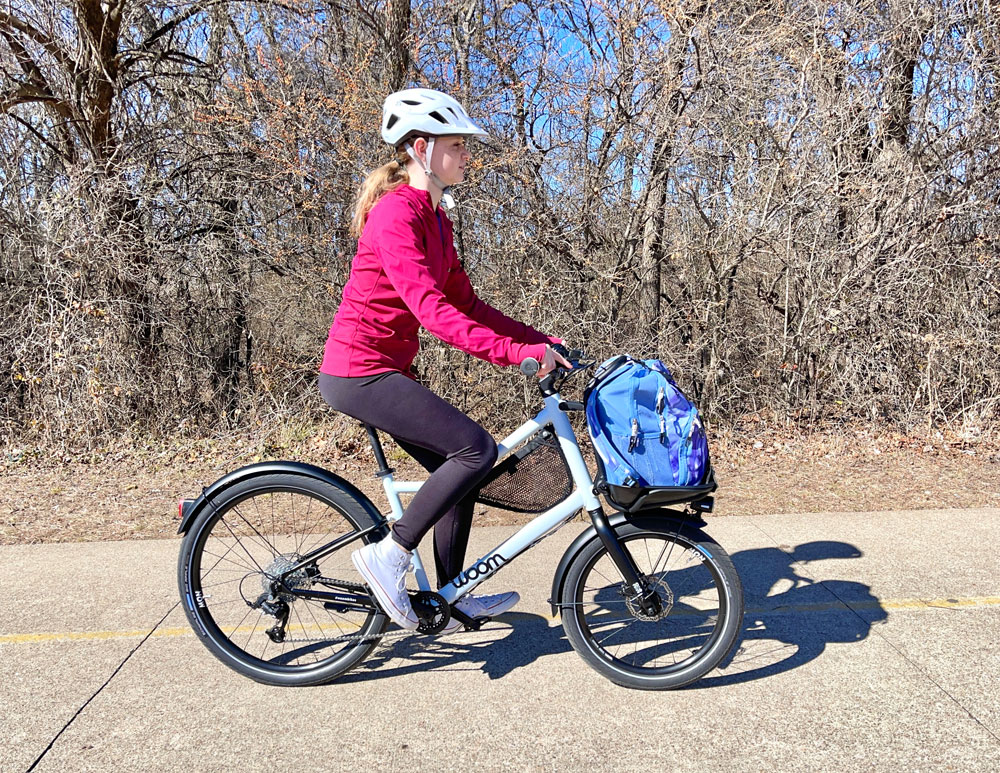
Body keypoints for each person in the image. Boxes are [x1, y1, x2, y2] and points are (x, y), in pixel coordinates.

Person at [319, 88, 571, 631]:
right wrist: (515, 356)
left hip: (385, 369)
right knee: (474, 449)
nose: (465, 156)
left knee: (457, 472)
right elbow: (433, 312)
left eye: (463, 146)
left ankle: (449, 597)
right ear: (421, 149)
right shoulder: (395, 216)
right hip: (357, 372)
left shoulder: (436, 219)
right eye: (456, 145)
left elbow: (467, 304)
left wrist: (538, 340)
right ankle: (388, 557)